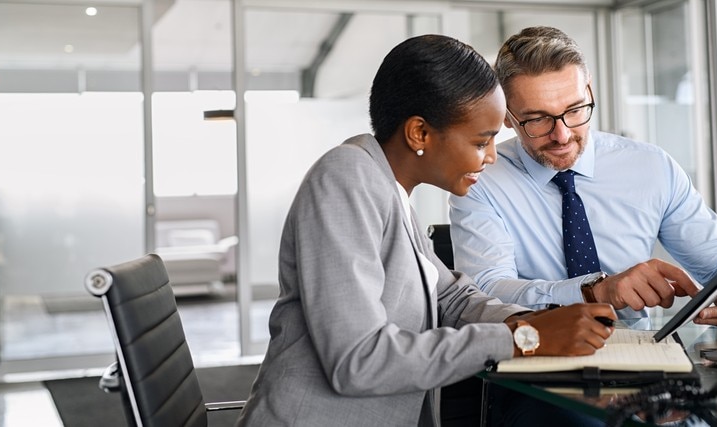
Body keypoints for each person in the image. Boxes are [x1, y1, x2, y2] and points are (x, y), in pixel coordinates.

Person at [236, 34, 616, 427]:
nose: (490, 156)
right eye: (481, 141)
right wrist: (523, 339)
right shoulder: (347, 178)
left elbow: (452, 297)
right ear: (419, 133)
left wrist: (532, 322)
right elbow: (358, 360)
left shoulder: (390, 190)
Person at [449, 26, 717, 332]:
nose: (562, 135)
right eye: (537, 119)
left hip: (646, 357)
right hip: (534, 359)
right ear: (506, 114)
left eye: (575, 110)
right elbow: (484, 294)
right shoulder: (480, 180)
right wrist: (594, 291)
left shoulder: (651, 167)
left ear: (589, 90)